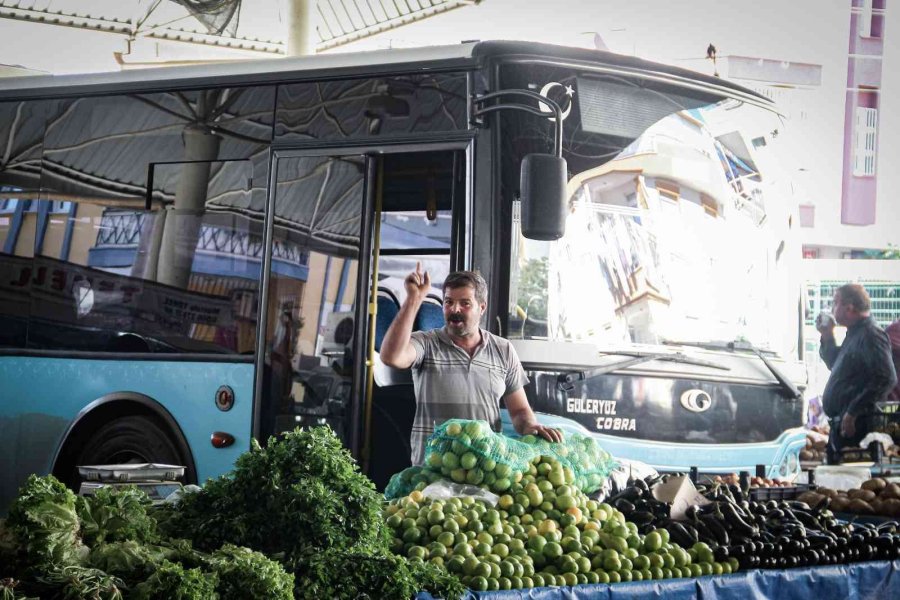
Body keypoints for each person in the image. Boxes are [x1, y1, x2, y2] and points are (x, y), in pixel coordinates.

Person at [379, 263, 563, 465]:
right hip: (431, 471)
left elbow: (519, 411)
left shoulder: (503, 350)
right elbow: (391, 357)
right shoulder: (426, 342)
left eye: (465, 303)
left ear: (481, 307)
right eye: (448, 302)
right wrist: (414, 299)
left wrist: (530, 426)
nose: (454, 309)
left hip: (485, 469)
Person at [817, 283, 897, 464]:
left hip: (857, 427)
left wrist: (853, 411)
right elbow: (836, 366)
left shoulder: (871, 335)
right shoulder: (855, 334)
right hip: (843, 426)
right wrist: (828, 336)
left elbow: (886, 377)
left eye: (835, 302)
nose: (832, 308)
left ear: (849, 307)